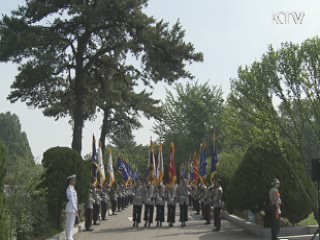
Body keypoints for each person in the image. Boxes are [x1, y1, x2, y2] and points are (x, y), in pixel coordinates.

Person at [65, 174, 78, 240]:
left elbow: (75, 200)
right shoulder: (69, 189)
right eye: (73, 180)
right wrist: (76, 209)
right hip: (70, 209)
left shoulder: (73, 189)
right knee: (69, 225)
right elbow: (72, 199)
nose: (74, 181)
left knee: (71, 225)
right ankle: (69, 238)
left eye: (75, 180)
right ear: (70, 181)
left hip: (72, 209)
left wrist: (75, 208)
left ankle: (70, 237)